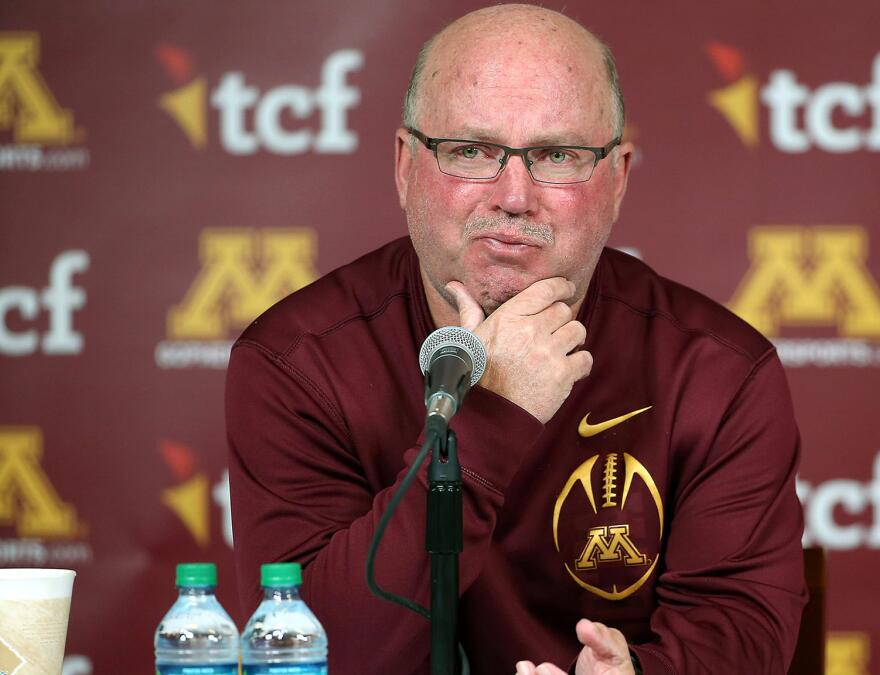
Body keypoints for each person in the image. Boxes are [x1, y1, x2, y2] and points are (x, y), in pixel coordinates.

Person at [226, 5, 807, 674]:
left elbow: (740, 634)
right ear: (405, 165)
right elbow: (315, 653)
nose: (514, 195)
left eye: (556, 155)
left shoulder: (716, 373)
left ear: (618, 177)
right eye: (471, 150)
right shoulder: (298, 363)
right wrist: (493, 417)